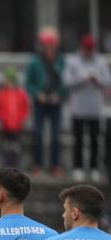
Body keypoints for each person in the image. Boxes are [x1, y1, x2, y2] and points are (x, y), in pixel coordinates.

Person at [63, 34, 110, 182]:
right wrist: (82, 79)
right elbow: (66, 80)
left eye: (91, 49)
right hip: (78, 108)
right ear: (82, 48)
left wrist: (97, 80)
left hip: (95, 109)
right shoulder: (73, 61)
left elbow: (108, 81)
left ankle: (94, 167)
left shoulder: (100, 61)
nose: (89, 52)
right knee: (78, 139)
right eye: (86, 49)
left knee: (95, 139)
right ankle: (78, 167)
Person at [26, 27, 66, 176]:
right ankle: (37, 164)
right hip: (40, 102)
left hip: (56, 102)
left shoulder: (62, 60)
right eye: (46, 45)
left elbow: (66, 82)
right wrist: (38, 93)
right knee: (38, 133)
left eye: (52, 45)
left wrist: (60, 94)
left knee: (56, 135)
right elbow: (29, 83)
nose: (49, 48)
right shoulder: (35, 61)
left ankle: (55, 164)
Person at [0, 68, 30, 168]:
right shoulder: (1, 94)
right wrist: (3, 118)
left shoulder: (21, 94)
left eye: (11, 81)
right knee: (6, 146)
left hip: (17, 126)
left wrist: (21, 118)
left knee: (16, 146)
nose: (9, 83)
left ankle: (15, 165)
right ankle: (7, 165)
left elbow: (25, 107)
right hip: (6, 125)